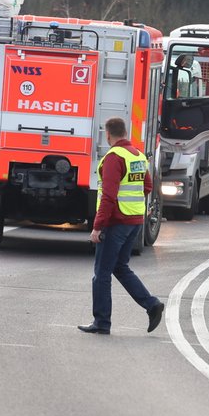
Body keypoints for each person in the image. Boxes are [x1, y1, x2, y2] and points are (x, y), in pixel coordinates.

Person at [79, 117, 164, 335]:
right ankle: (152, 305)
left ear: (108, 135)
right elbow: (147, 186)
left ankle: (102, 322)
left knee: (101, 273)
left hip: (116, 223)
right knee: (120, 267)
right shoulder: (137, 155)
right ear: (124, 133)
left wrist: (97, 227)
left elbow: (108, 196)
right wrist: (131, 204)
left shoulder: (114, 158)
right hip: (134, 221)